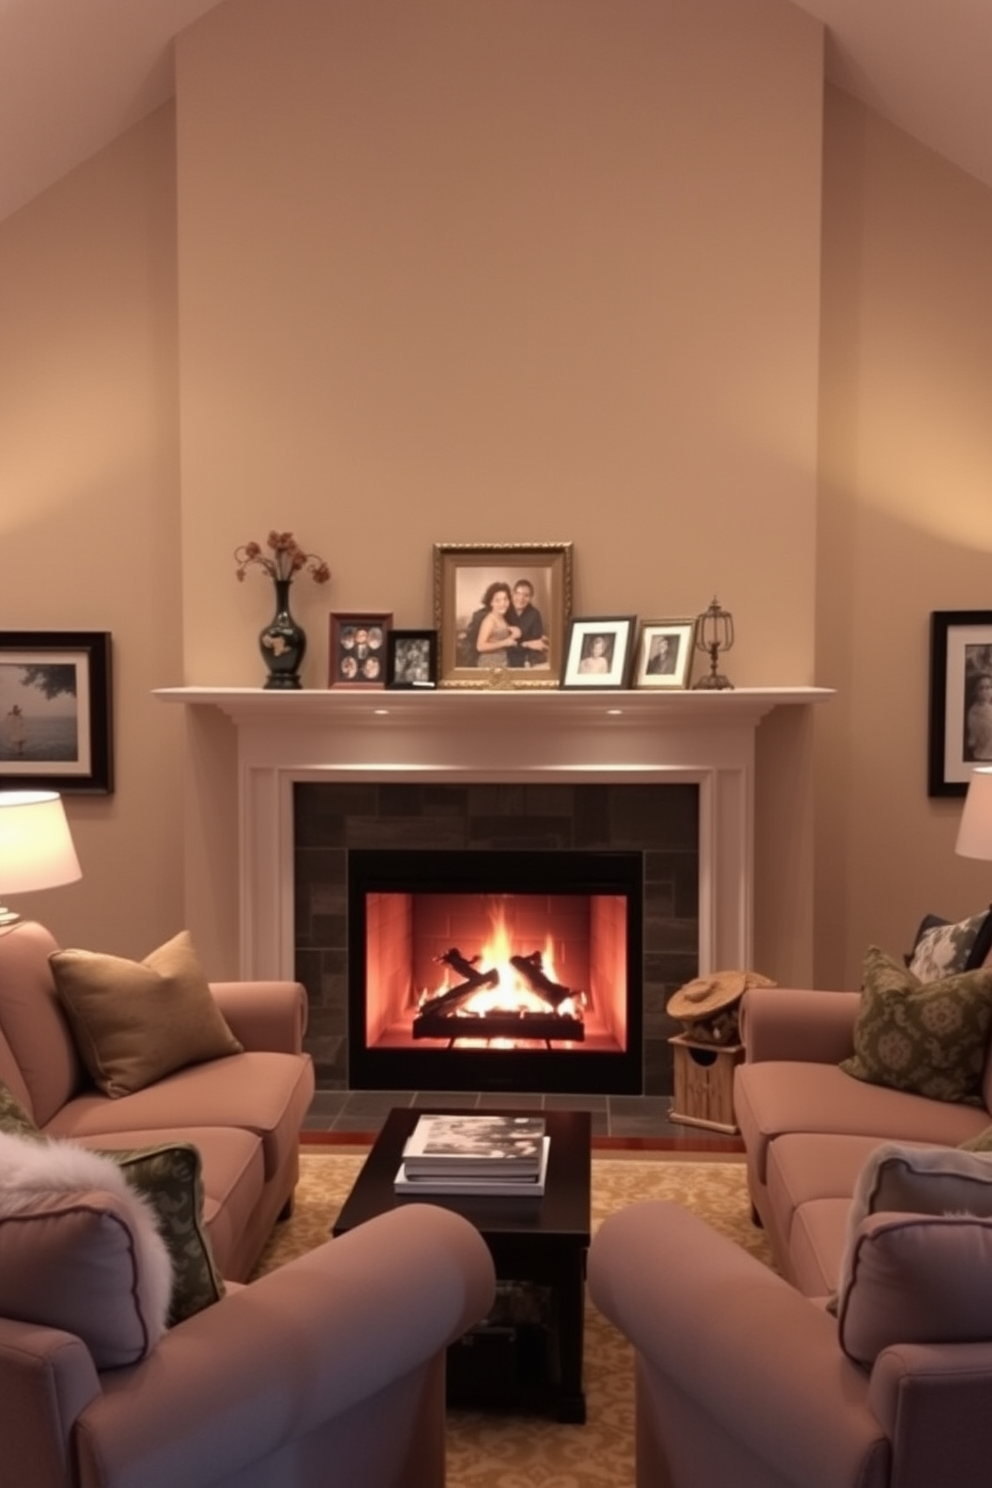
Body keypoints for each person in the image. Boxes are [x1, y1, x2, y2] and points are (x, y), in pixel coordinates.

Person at [475, 582, 520, 668]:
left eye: (505, 599)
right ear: (491, 602)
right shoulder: (489, 621)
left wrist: (514, 635)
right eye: (497, 600)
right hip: (489, 664)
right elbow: (480, 647)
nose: (503, 603)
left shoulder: (502, 617)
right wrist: (506, 642)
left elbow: (501, 641)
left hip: (502, 662)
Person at [506, 579, 549, 669]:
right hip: (507, 654)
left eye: (526, 595)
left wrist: (524, 643)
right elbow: (503, 641)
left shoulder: (534, 614)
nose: (521, 598)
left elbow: (536, 643)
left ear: (531, 598)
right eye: (518, 594)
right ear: (513, 594)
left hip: (529, 656)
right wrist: (526, 643)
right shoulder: (505, 610)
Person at [966, 672, 992, 761]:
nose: (985, 691)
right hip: (983, 756)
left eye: (988, 687)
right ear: (975, 691)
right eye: (981, 688)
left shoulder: (990, 708)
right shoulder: (974, 712)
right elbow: (972, 742)